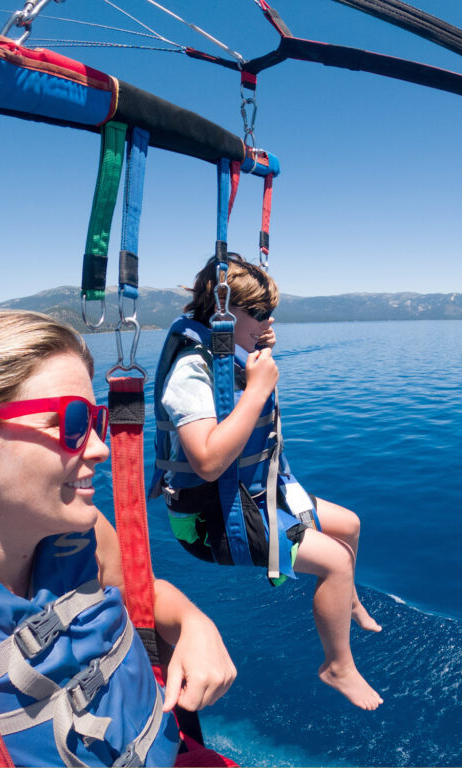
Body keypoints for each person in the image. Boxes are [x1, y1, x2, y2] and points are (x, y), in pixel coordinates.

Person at [0, 309, 236, 766]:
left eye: (95, 420)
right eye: (69, 424)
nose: (101, 448)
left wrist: (193, 624)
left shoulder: (78, 534)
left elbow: (144, 597)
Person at [153, 254, 383, 711]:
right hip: (212, 520)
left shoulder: (229, 353)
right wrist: (258, 388)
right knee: (335, 561)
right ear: (221, 314)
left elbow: (239, 377)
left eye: (269, 314)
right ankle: (337, 666)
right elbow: (206, 461)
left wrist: (257, 345)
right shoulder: (191, 372)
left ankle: (347, 601)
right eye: (256, 314)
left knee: (350, 525)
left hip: (254, 495)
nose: (267, 321)